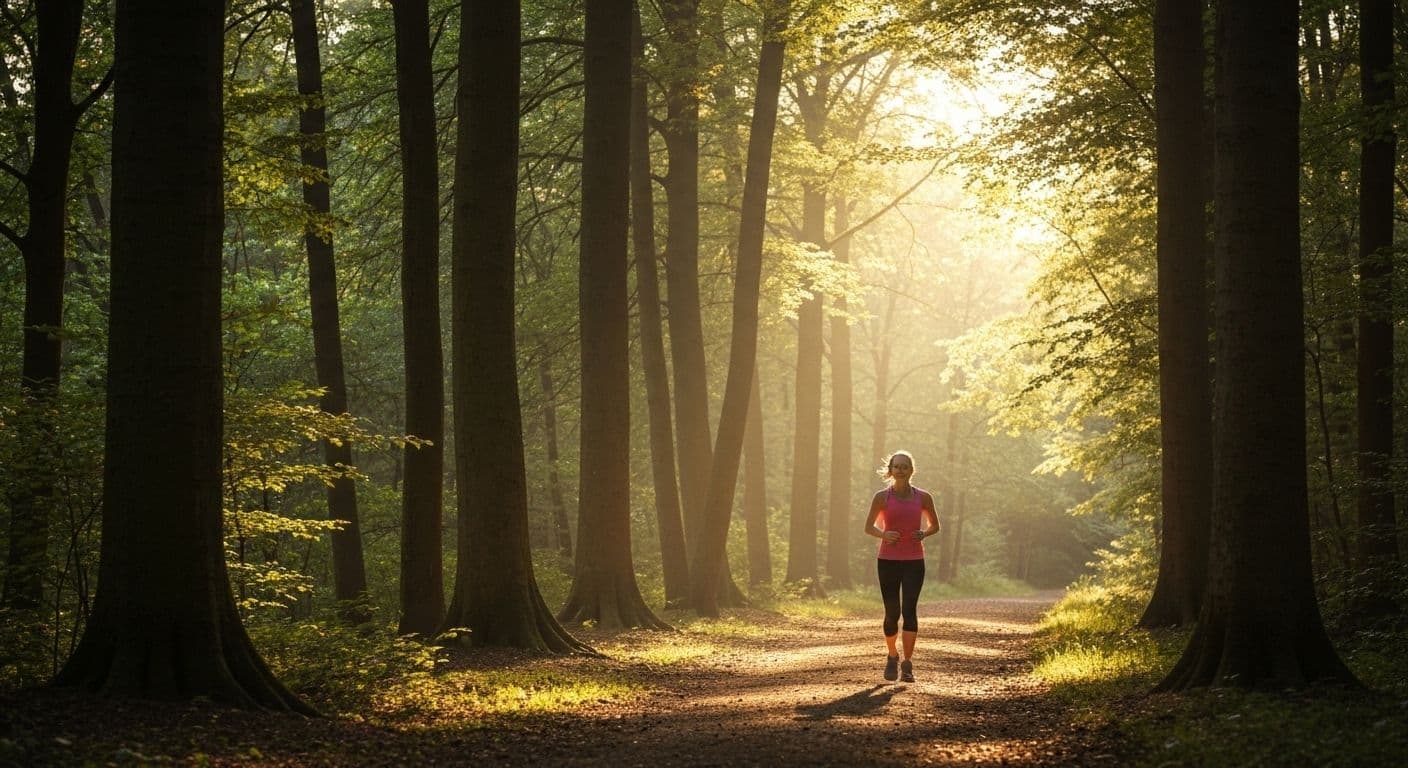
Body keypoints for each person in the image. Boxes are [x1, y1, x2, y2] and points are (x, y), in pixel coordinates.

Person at [862, 450, 940, 683]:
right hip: (887, 561)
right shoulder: (881, 497)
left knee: (910, 611)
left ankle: (907, 663)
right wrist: (884, 535)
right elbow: (868, 527)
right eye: (896, 466)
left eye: (905, 466)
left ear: (911, 470)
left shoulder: (924, 497)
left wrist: (923, 533)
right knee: (891, 613)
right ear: (890, 470)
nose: (900, 470)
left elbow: (935, 525)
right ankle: (892, 655)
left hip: (915, 561)